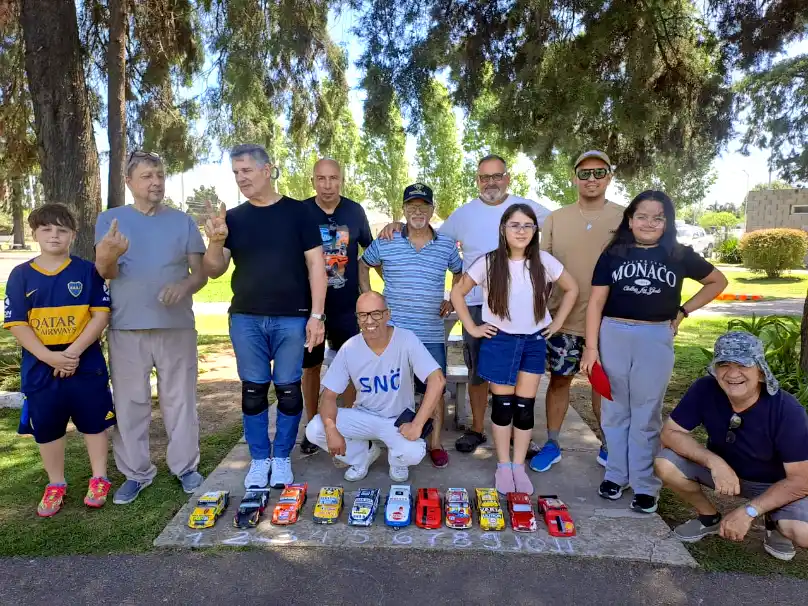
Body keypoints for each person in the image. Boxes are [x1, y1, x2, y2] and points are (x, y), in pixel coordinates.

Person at [379, 155, 551, 454]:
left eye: (497, 176)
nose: (491, 182)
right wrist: (398, 224)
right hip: (476, 305)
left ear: (507, 178)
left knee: (521, 373)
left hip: (523, 310)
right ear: (477, 180)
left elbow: (557, 233)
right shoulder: (464, 214)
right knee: (479, 371)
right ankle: (477, 428)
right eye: (485, 177)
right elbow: (428, 234)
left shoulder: (531, 209)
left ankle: (518, 434)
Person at [581, 190, 727, 513]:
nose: (649, 222)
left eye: (657, 217)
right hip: (614, 333)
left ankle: (646, 485)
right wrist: (591, 349)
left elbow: (718, 281)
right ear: (630, 220)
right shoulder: (614, 253)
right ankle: (616, 475)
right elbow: (596, 302)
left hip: (655, 336)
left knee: (646, 413)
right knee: (615, 410)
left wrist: (684, 311)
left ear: (666, 222)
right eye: (642, 216)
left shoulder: (677, 253)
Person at [203, 143, 327, 490]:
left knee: (288, 390)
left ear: (267, 169)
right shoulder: (234, 219)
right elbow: (213, 270)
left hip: (292, 318)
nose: (241, 179)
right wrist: (215, 241)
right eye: (236, 173)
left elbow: (317, 265)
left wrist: (317, 315)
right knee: (254, 391)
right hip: (246, 318)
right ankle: (259, 459)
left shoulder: (299, 213)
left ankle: (282, 457)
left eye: (247, 171)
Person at [95, 151, 208, 505]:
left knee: (180, 400)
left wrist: (184, 287)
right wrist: (110, 253)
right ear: (129, 182)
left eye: (159, 175)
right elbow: (105, 273)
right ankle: (136, 473)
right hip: (126, 326)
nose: (156, 182)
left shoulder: (183, 221)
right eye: (147, 176)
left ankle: (186, 468)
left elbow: (201, 273)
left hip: (176, 326)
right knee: (130, 404)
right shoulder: (110, 220)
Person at [451, 204, 578, 495]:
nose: (521, 231)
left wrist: (556, 322)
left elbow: (572, 289)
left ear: (535, 231)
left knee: (524, 407)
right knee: (503, 407)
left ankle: (519, 466)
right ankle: (504, 465)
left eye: (527, 225)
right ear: (503, 229)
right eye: (514, 225)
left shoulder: (544, 261)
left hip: (532, 341)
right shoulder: (489, 262)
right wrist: (472, 327)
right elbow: (458, 292)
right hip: (500, 340)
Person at [655, 332, 808, 561]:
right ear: (715, 369)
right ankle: (708, 517)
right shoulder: (705, 389)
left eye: (743, 365)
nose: (733, 373)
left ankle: (774, 522)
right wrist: (714, 461)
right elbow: (670, 433)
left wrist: (749, 511)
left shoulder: (787, 409)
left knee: (803, 533)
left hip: (774, 484)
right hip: (722, 474)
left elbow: (801, 480)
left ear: (759, 370)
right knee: (663, 462)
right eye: (724, 364)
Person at [5, 204, 115, 516]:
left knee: (95, 422)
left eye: (62, 230)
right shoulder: (21, 275)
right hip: (41, 366)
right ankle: (56, 483)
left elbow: (100, 315)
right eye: (47, 229)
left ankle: (99, 477)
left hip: (85, 362)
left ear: (73, 235)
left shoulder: (86, 271)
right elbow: (18, 324)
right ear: (35, 233)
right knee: (48, 428)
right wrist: (50, 357)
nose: (54, 235)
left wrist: (73, 353)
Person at [532, 150, 624, 473]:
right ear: (574, 178)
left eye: (599, 172)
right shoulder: (555, 218)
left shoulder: (624, 218)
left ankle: (610, 446)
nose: (592, 179)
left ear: (609, 177)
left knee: (604, 386)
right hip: (563, 319)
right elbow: (539, 269)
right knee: (559, 381)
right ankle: (553, 443)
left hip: (609, 322)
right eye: (584, 173)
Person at [359, 183, 463, 468]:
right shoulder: (388, 239)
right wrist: (368, 297)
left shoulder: (445, 244)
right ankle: (390, 439)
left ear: (432, 210)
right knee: (390, 389)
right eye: (411, 207)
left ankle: (436, 443)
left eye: (423, 206)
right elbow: (363, 263)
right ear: (403, 210)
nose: (417, 212)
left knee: (435, 388)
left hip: (430, 332)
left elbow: (459, 272)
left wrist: (453, 300)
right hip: (393, 332)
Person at [305, 292, 446, 482]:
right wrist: (331, 429)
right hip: (364, 417)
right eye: (363, 315)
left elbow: (437, 380)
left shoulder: (406, 339)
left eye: (376, 313)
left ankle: (398, 462)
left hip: (397, 420)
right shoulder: (350, 347)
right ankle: (363, 455)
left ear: (388, 314)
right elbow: (328, 396)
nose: (369, 320)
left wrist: (417, 424)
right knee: (315, 428)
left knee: (413, 452)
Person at [299, 158, 373, 455]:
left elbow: (372, 250)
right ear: (313, 180)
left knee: (352, 368)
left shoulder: (354, 211)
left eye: (333, 178)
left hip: (347, 307)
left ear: (341, 179)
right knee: (311, 368)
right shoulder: (301, 212)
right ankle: (312, 426)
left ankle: (350, 424)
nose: (327, 185)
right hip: (311, 308)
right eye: (321, 178)